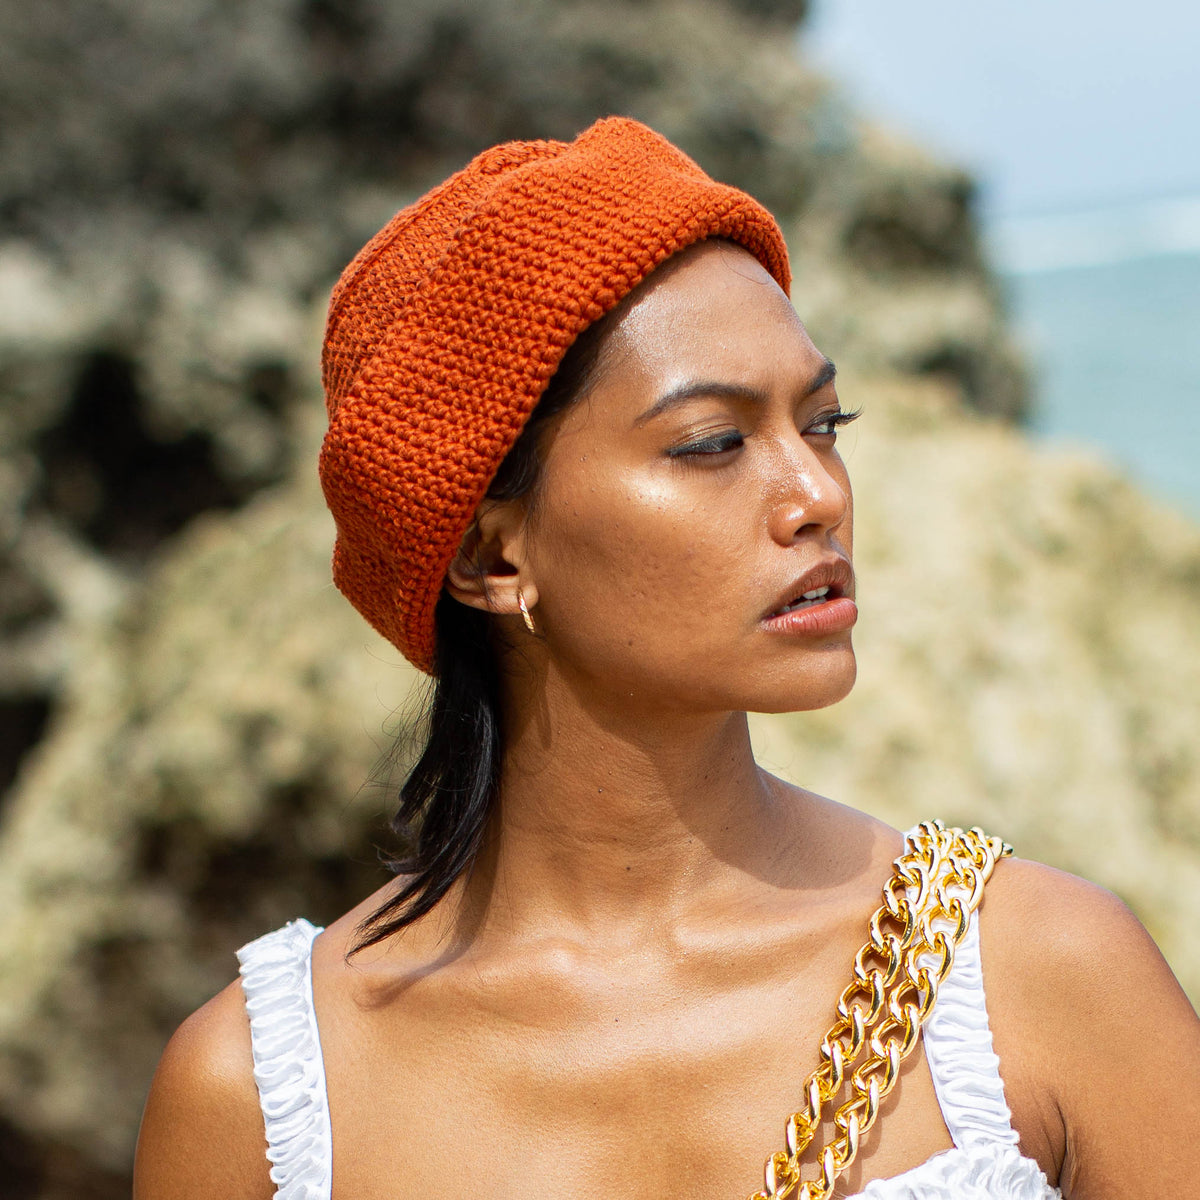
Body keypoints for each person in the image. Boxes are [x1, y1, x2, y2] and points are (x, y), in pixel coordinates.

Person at [132, 117, 1200, 1200]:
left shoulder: (1035, 977)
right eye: (712, 444)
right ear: (491, 557)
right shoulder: (258, 1099)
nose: (818, 495)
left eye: (825, 423)